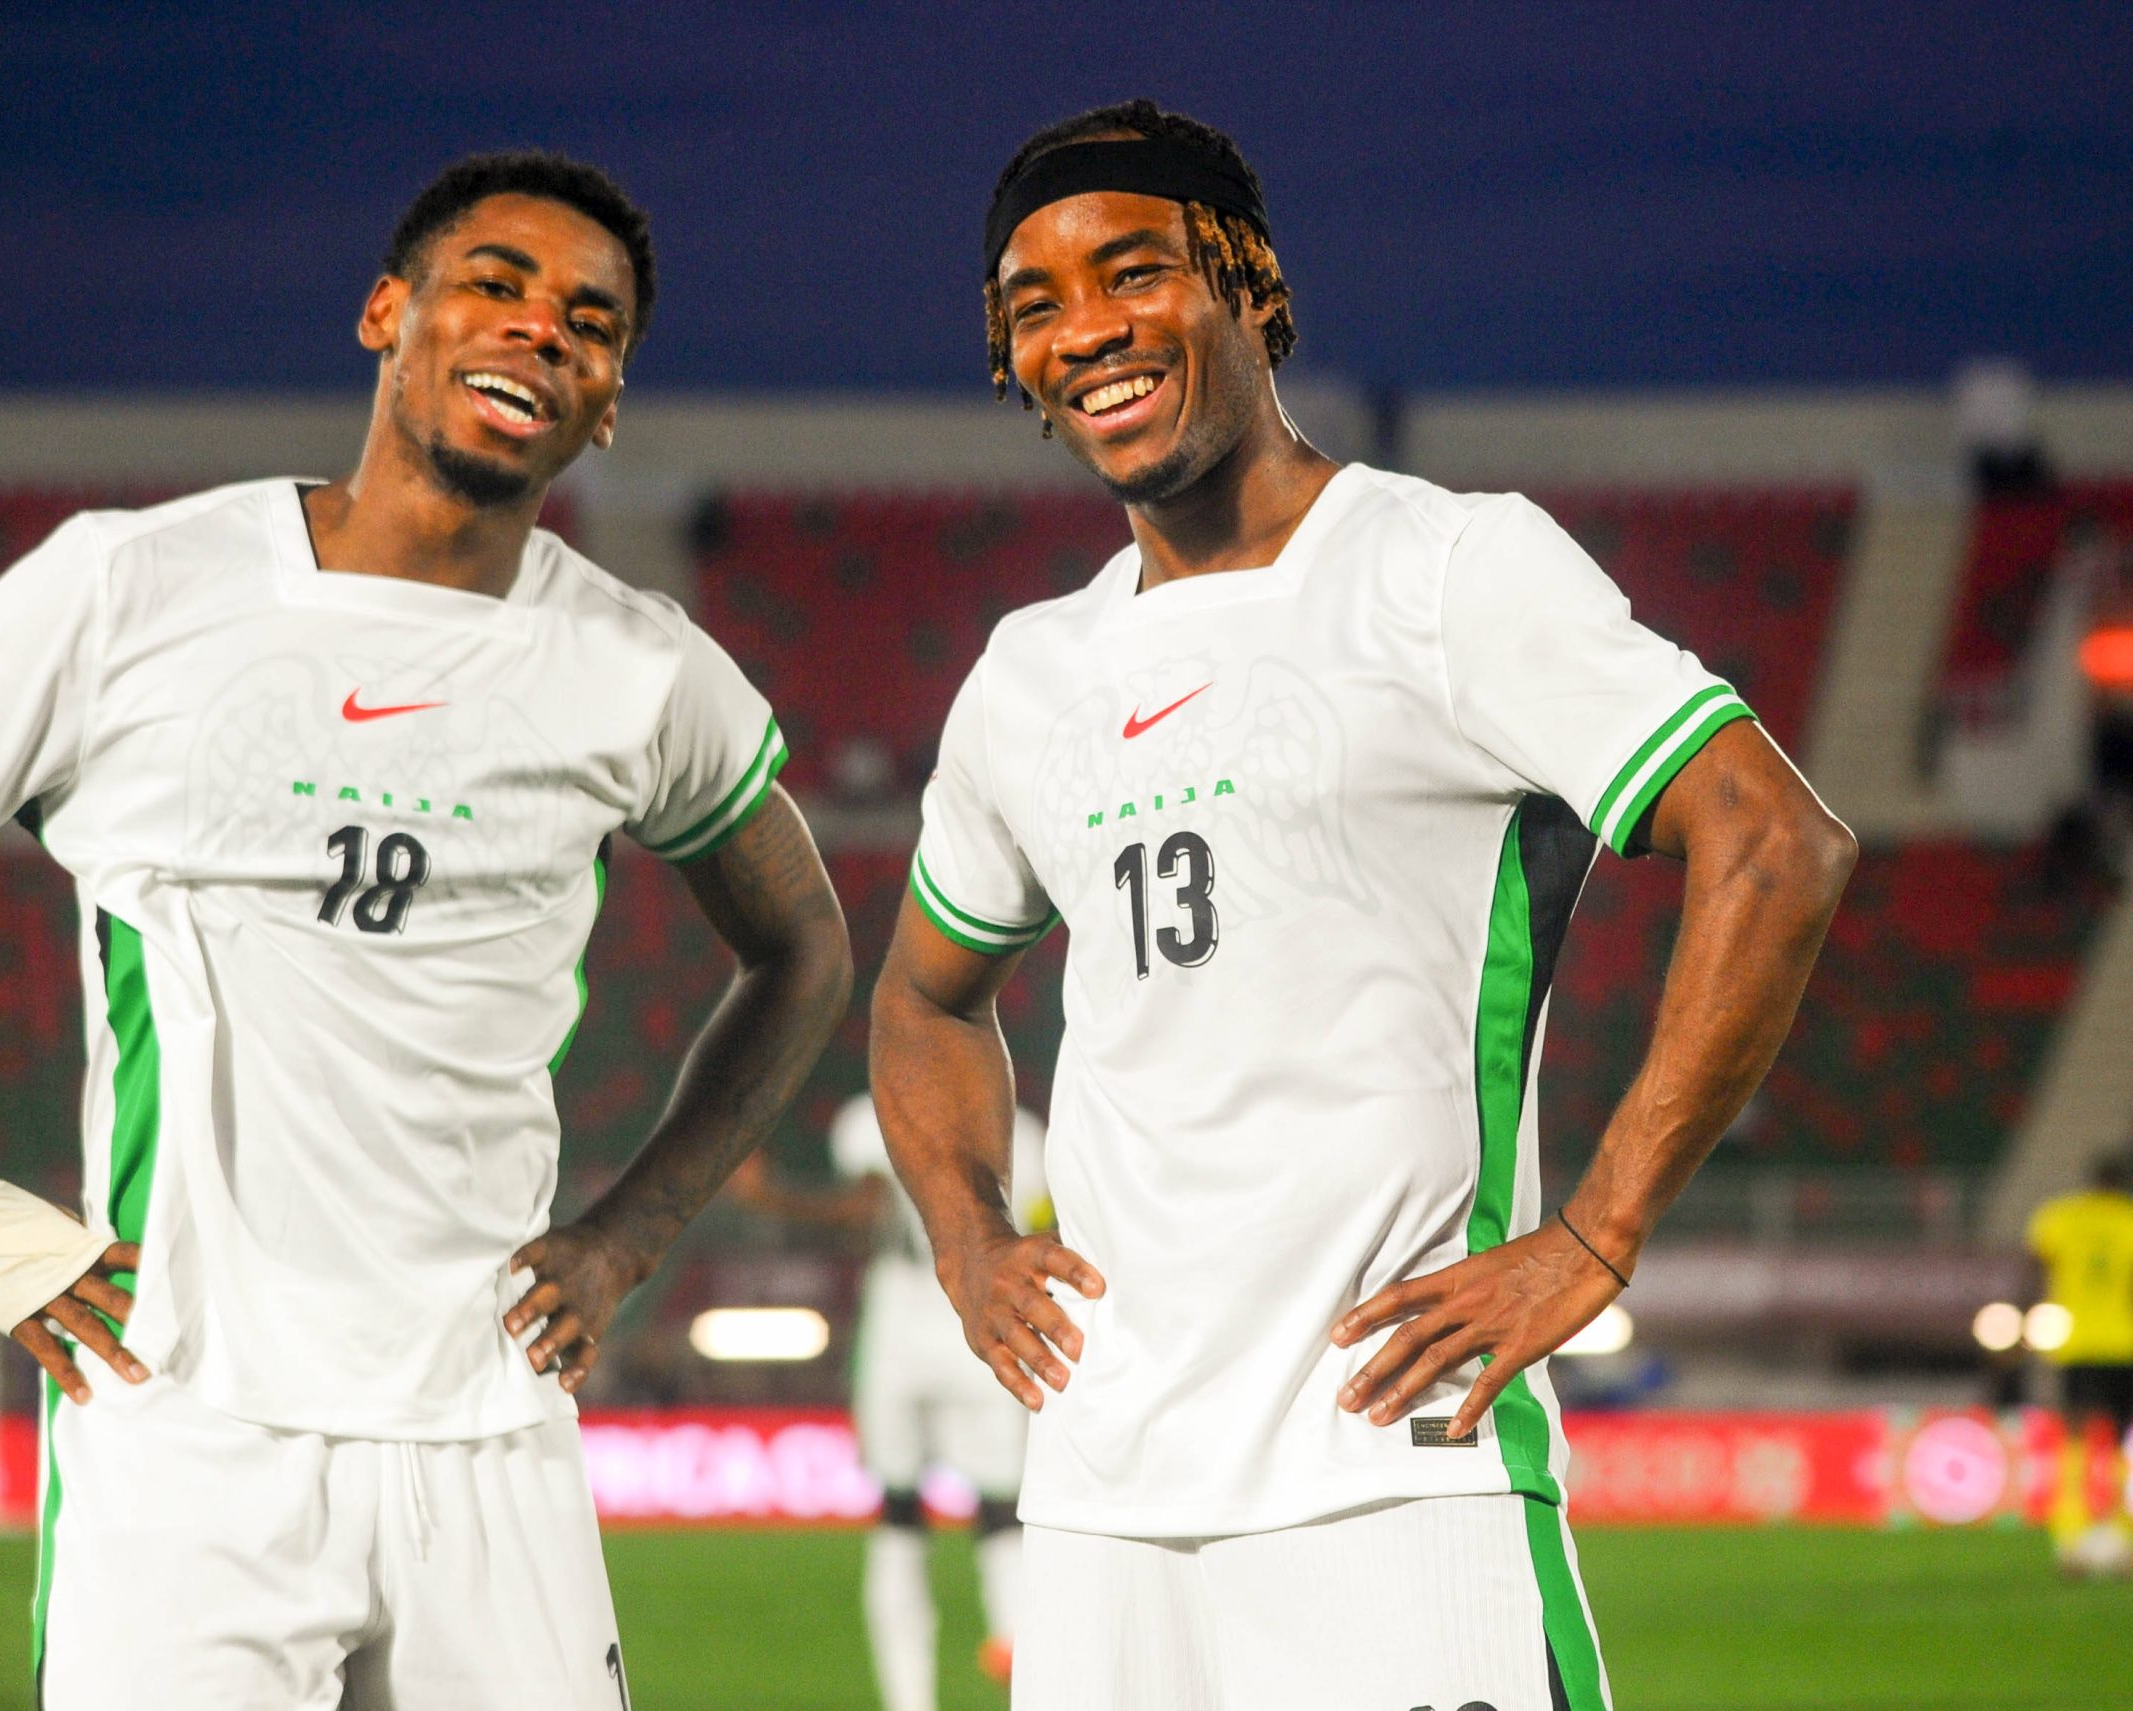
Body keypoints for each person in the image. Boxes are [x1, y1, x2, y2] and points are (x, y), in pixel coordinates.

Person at [0, 151, 852, 1709]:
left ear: (609, 399)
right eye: (496, 283)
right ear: (387, 312)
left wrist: (631, 1235)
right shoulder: (131, 588)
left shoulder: (641, 669)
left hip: (492, 1425)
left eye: (591, 322)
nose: (541, 328)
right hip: (185, 1420)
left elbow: (805, 948)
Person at [868, 99, 1857, 1711]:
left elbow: (1776, 841)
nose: (1086, 329)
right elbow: (923, 995)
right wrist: (972, 1240)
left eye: (1133, 271)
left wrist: (1595, 1233)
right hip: (1103, 1505)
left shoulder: (1447, 570)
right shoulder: (1028, 675)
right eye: (1034, 304)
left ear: (1248, 280)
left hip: (1400, 1475)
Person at [733, 1093, 1047, 1708]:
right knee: (1002, 1510)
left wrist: (773, 1198)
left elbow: (868, 1207)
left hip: (900, 1330)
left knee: (899, 1511)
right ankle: (1021, 1663)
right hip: (987, 1327)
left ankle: (910, 1700)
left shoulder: (875, 1114)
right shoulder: (1027, 1131)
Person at [2026, 1153, 2133, 1575]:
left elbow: (2034, 1269)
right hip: (2124, 1344)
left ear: (2091, 1181)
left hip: (2077, 1343)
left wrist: (2029, 1318)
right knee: (2123, 1440)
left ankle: (2070, 1537)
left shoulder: (2060, 1217)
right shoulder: (2128, 1220)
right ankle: (2122, 1534)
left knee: (2075, 1437)